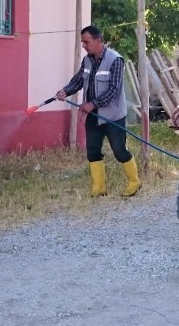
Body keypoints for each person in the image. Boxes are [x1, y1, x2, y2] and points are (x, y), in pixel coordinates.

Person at [56, 25, 140, 197]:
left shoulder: (115, 60)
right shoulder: (87, 60)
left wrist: (92, 104)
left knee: (119, 150)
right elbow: (79, 80)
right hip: (93, 116)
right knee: (92, 150)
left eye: (86, 42)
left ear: (98, 40)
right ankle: (99, 187)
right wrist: (66, 91)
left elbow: (114, 89)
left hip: (113, 116)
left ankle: (134, 182)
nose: (84, 46)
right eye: (82, 42)